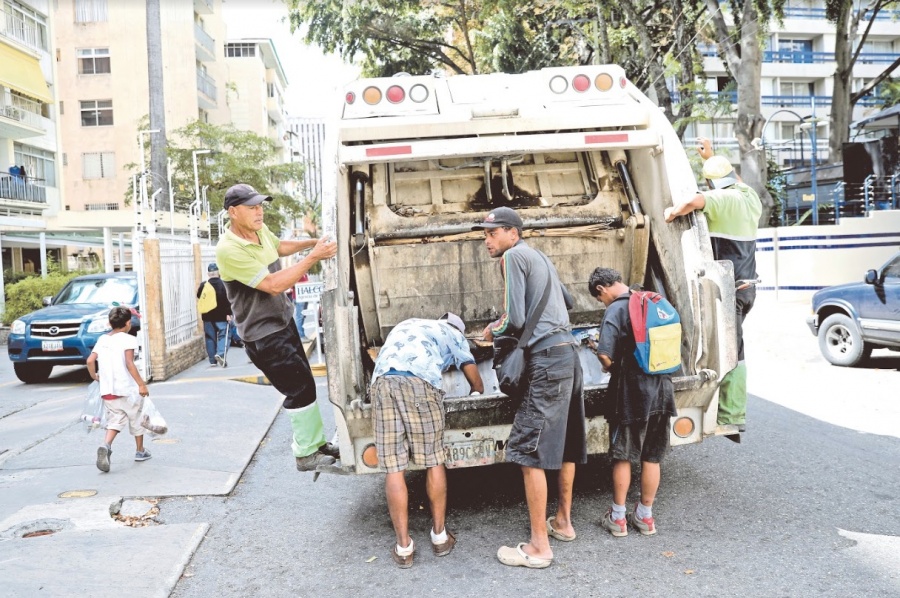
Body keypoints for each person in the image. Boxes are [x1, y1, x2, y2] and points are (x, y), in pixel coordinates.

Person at [473, 206, 586, 570]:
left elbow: (516, 318)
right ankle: (563, 523)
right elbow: (567, 302)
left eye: (493, 233)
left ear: (512, 234)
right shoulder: (540, 258)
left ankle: (539, 547)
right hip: (569, 354)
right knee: (567, 442)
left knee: (526, 449)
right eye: (486, 234)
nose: (487, 240)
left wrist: (494, 327)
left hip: (547, 362)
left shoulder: (512, 258)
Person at [215, 183, 339, 471]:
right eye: (252, 207)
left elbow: (279, 246)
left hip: (281, 323)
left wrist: (313, 242)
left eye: (260, 205)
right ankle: (306, 454)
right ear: (233, 212)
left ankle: (316, 444)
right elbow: (273, 285)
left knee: (305, 383)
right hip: (263, 334)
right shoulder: (229, 249)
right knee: (299, 389)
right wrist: (314, 257)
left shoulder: (258, 232)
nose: (259, 211)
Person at [664, 137, 762, 442]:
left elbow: (694, 202)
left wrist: (670, 213)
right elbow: (730, 180)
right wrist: (710, 157)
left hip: (730, 290)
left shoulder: (722, 200)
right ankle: (730, 410)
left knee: (730, 352)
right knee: (735, 349)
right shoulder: (748, 195)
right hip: (748, 287)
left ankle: (733, 415)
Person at [370, 313, 484, 568]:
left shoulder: (408, 323)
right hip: (419, 383)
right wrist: (474, 394)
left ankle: (403, 548)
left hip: (381, 384)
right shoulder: (454, 334)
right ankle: (440, 537)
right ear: (458, 329)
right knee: (434, 460)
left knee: (394, 466)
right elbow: (477, 382)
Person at [588, 267, 677, 537]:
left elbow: (605, 355)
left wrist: (605, 361)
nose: (602, 302)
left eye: (599, 298)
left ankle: (618, 518)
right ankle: (645, 516)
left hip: (632, 392)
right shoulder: (651, 300)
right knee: (652, 455)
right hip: (662, 387)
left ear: (601, 289)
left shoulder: (616, 309)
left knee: (623, 455)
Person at [86, 306, 151, 473]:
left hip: (108, 391)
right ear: (128, 323)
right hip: (127, 389)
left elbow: (90, 360)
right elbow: (130, 364)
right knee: (136, 417)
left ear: (110, 322)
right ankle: (140, 451)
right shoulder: (129, 339)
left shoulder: (102, 339)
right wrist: (141, 384)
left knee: (115, 421)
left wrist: (94, 376)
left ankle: (105, 445)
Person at [196, 262, 233, 367]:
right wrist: (229, 313)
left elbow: (199, 296)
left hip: (207, 317)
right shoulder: (224, 284)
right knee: (224, 335)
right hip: (221, 316)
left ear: (208, 274)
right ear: (219, 272)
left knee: (210, 337)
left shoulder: (204, 285)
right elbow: (228, 300)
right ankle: (220, 354)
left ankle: (212, 360)